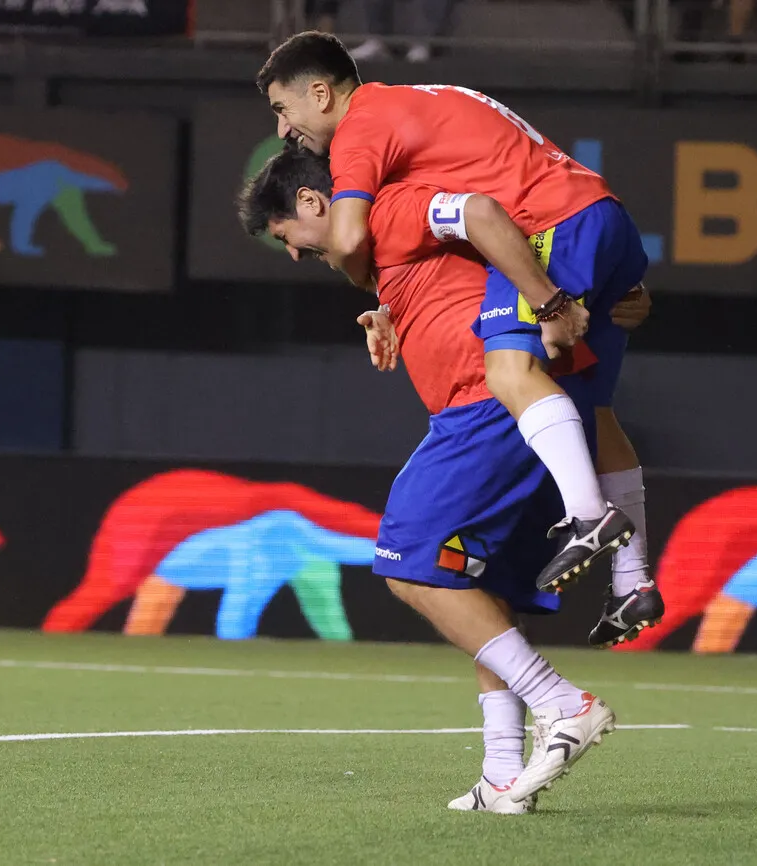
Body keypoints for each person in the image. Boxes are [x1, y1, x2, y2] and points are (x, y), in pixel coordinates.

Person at [237, 145, 653, 810]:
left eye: (287, 235)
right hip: (518, 410)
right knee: (476, 587)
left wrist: (556, 303)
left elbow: (492, 218)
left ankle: (561, 702)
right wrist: (391, 311)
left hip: (484, 408)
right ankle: (502, 773)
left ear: (314, 203)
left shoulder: (398, 204)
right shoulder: (391, 251)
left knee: (408, 562)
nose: (291, 254)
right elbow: (490, 260)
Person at [254, 33, 657, 637]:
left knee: (508, 371)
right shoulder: (418, 102)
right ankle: (634, 582)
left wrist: (549, 301)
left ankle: (586, 516)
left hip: (551, 222)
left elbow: (347, 237)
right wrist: (394, 301)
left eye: (283, 110)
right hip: (599, 213)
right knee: (594, 411)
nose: (284, 128)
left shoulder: (362, 124)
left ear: (320, 92)